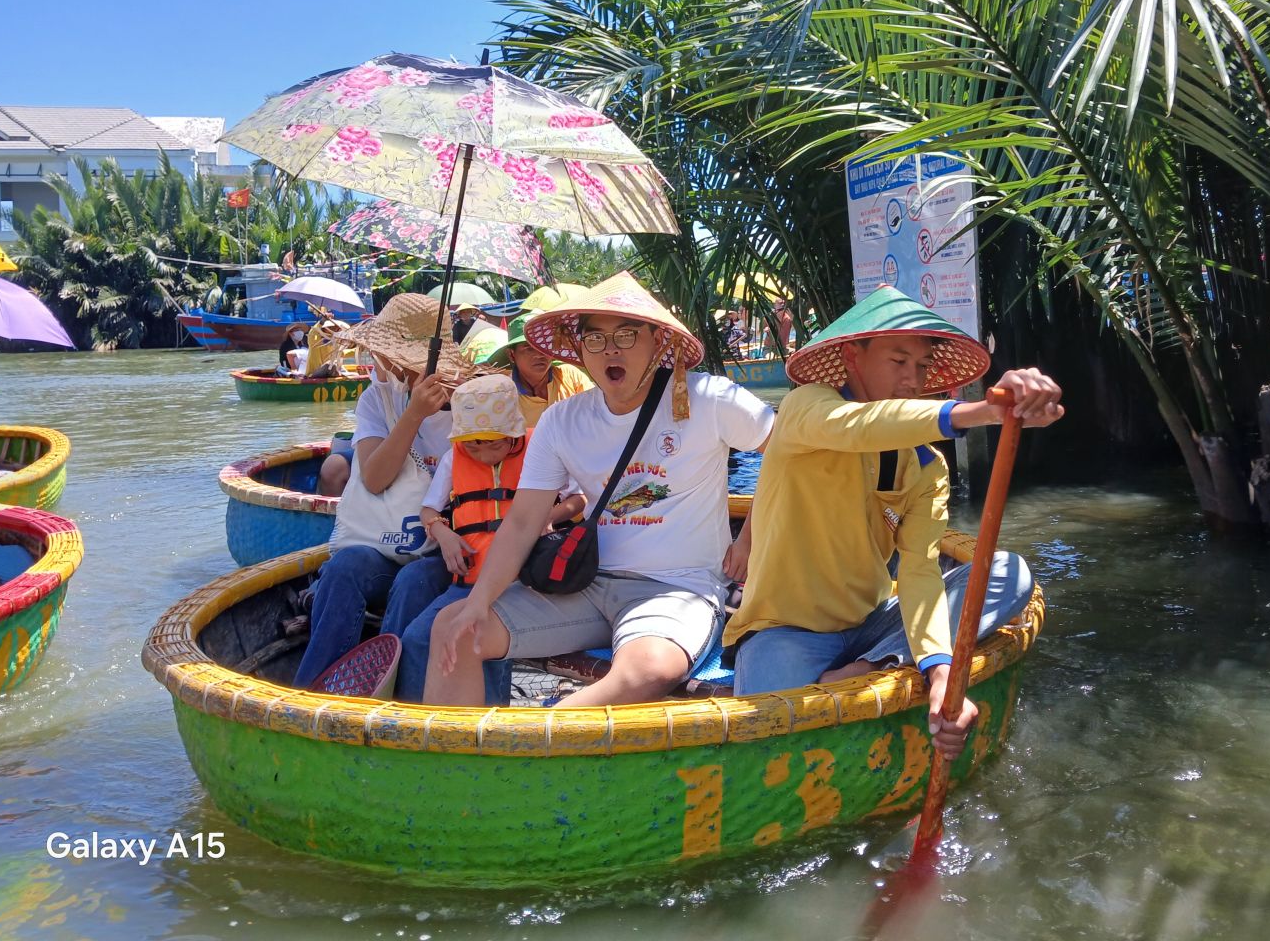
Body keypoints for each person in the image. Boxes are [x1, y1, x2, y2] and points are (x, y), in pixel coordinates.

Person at [725, 285, 1063, 759]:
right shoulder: (807, 407)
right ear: (852, 356)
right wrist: (985, 411)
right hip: (783, 629)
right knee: (762, 740)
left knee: (1009, 573)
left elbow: (921, 570)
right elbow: (858, 427)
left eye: (921, 367)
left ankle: (869, 666)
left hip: (872, 625)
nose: (912, 378)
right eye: (898, 361)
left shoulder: (926, 467)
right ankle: (871, 673)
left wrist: (944, 674)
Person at [423, 272, 775, 708]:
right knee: (453, 626)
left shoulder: (709, 398)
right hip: (584, 581)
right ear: (580, 352)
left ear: (658, 342)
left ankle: (530, 745)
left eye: (627, 335)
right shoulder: (562, 420)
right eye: (596, 339)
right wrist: (478, 602)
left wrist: (749, 538)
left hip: (676, 588)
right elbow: (522, 523)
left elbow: (789, 453)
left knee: (651, 667)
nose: (611, 349)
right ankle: (460, 768)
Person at [291, 294, 476, 688]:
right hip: (384, 545)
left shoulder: (471, 406)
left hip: (446, 551)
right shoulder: (378, 399)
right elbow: (375, 478)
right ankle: (315, 688)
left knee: (412, 584)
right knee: (344, 569)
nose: (378, 359)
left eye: (386, 352)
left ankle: (389, 689)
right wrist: (414, 415)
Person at [389, 374, 586, 700]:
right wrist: (444, 533)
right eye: (473, 444)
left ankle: (492, 725)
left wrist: (546, 516)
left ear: (513, 435)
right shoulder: (455, 457)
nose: (483, 453)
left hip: (522, 584)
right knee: (417, 637)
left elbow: (578, 501)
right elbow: (428, 510)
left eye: (494, 443)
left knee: (484, 645)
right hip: (467, 583)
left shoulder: (539, 449)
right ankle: (414, 716)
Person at [502, 309, 595, 426]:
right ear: (511, 354)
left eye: (543, 346)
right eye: (529, 348)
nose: (539, 354)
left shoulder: (571, 376)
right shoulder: (503, 396)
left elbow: (596, 411)